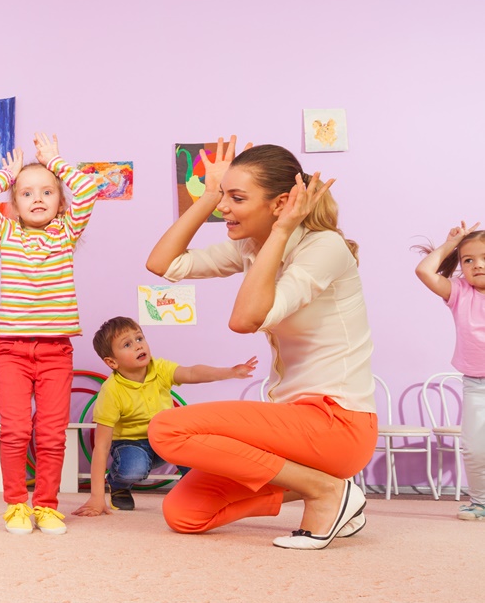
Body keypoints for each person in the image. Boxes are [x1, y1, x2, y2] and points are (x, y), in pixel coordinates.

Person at [144, 137, 377, 550]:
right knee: (184, 513)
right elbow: (163, 264)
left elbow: (244, 320)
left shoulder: (324, 247)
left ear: (281, 203)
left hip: (337, 424)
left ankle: (327, 493)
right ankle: (326, 487)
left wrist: (285, 227)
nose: (223, 208)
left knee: (167, 428)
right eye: (224, 195)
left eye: (236, 197)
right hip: (292, 426)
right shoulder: (252, 247)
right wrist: (209, 194)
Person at [0, 134, 98, 535]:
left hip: (57, 349)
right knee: (16, 430)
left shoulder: (65, 233)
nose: (37, 198)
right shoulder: (7, 234)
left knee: (51, 431)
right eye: (26, 193)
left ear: (60, 201)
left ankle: (45, 505)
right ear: (14, 202)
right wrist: (7, 173)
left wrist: (55, 162)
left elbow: (89, 190)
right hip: (11, 350)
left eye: (47, 192)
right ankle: (16, 506)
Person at [73, 317, 257, 517]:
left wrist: (229, 372)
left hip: (164, 438)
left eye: (139, 338)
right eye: (127, 344)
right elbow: (101, 447)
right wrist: (96, 496)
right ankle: (117, 484)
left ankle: (201, 491)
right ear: (112, 362)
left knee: (195, 451)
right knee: (134, 469)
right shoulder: (111, 391)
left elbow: (192, 372)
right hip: (130, 443)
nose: (137, 346)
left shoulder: (159, 369)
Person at [415, 221, 485, 521]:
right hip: (477, 384)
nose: (477, 265)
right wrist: (449, 246)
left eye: (484, 257)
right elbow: (424, 272)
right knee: (474, 449)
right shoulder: (459, 292)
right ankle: (481, 502)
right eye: (468, 259)